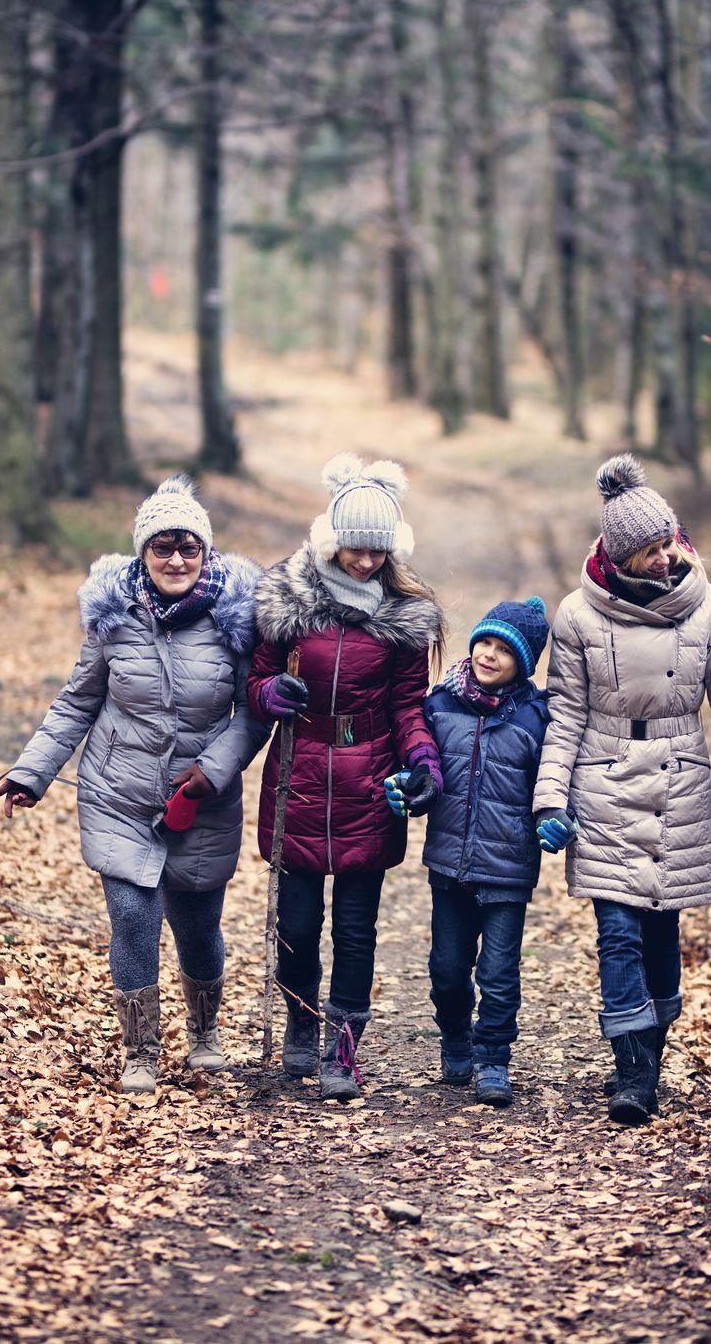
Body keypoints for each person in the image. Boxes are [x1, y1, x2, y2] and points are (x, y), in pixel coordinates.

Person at [0, 477, 268, 1094]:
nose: (176, 559)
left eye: (188, 547)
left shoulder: (236, 621)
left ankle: (203, 1033)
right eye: (162, 547)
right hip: (118, 792)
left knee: (198, 925)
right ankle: (140, 1049)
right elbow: (76, 703)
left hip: (203, 801)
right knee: (133, 916)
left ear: (206, 552)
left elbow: (255, 713)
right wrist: (32, 773)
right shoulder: (113, 620)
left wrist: (213, 771)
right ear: (143, 552)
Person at [532, 455, 711, 1127]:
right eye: (649, 551)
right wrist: (551, 798)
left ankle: (649, 1053)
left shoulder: (710, 607)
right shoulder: (576, 616)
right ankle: (631, 1071)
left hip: (680, 775)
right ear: (619, 556)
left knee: (661, 931)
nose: (665, 558)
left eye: (669, 543)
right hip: (602, 777)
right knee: (618, 931)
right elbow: (564, 713)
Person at [248, 453, 443, 1101]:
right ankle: (301, 1026)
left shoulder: (405, 616)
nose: (365, 562)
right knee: (299, 925)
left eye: (376, 553)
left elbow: (409, 705)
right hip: (298, 776)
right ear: (332, 541)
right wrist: (268, 692)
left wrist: (422, 759)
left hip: (371, 779)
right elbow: (252, 680)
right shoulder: (285, 599)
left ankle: (343, 1050)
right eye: (356, 549)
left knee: (355, 929)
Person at [388, 597, 553, 1108]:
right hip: (449, 864)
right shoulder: (439, 706)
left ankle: (493, 1059)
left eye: (504, 650)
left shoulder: (535, 718)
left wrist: (556, 816)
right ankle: (455, 1036)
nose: (488, 654)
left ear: (522, 664)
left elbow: (554, 781)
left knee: (499, 972)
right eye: (485, 641)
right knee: (447, 967)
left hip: (507, 869)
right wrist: (408, 787)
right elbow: (419, 768)